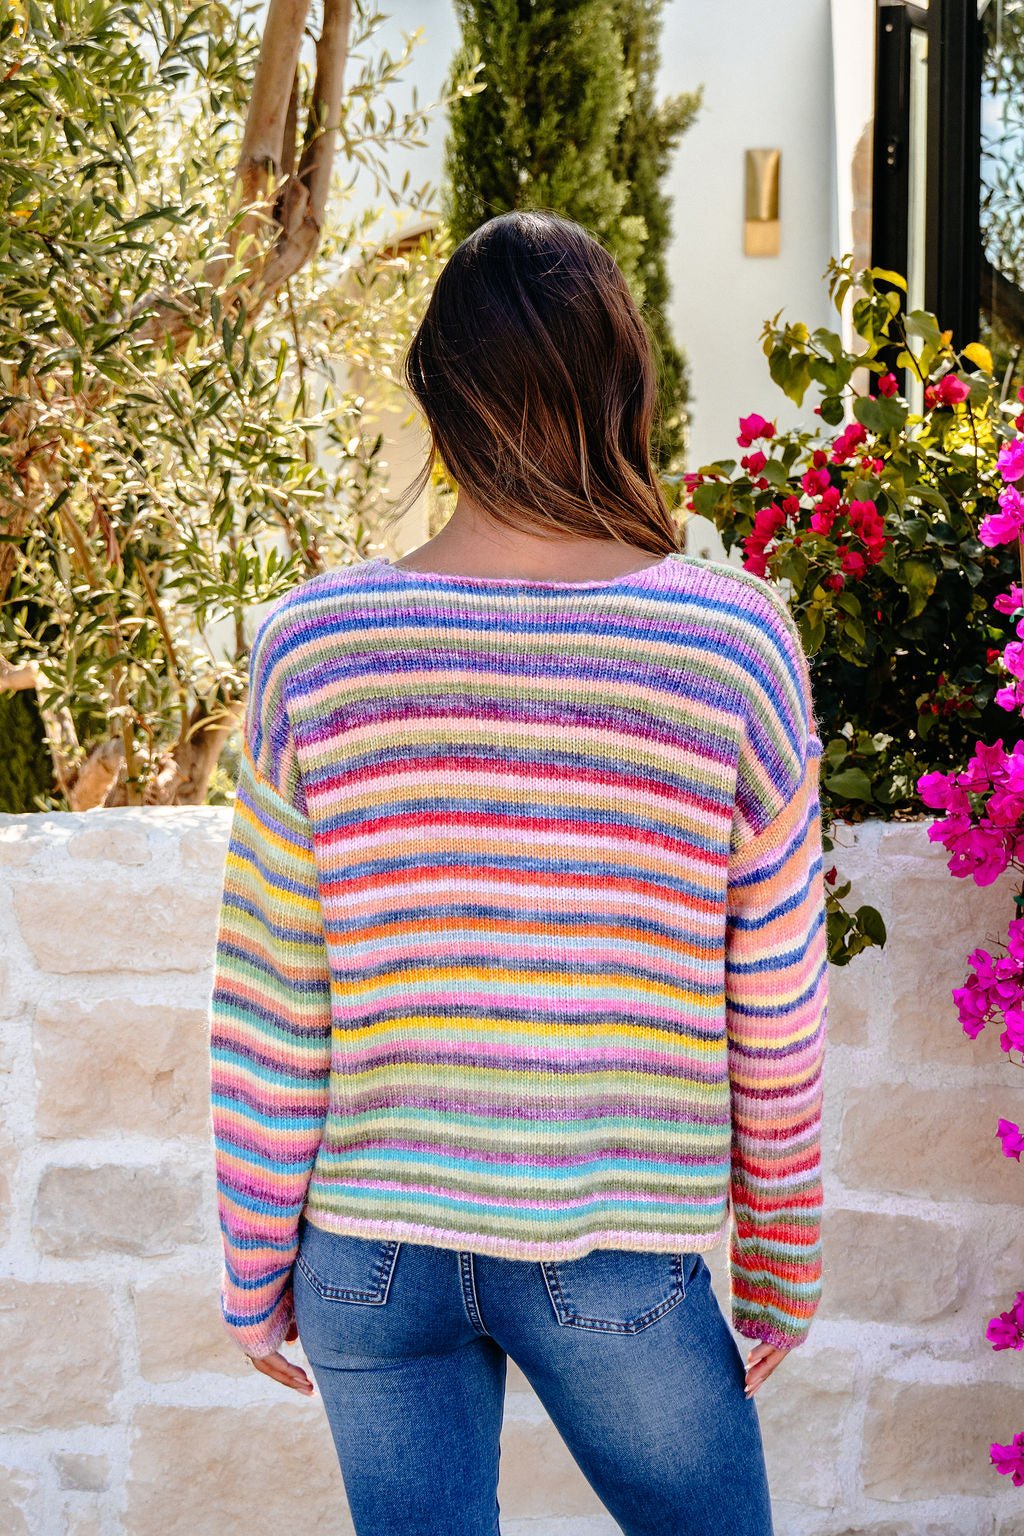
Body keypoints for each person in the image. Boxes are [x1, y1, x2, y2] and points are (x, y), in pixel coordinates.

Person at [208, 209, 828, 1536]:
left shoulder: (314, 648)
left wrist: (255, 1253)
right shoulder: (729, 644)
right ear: (622, 386)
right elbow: (772, 1009)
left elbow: (277, 995)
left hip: (369, 1259)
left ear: (438, 400)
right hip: (608, 1247)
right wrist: (782, 1264)